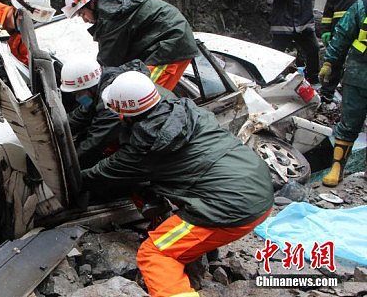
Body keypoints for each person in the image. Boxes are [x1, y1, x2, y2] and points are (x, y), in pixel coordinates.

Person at [82, 71, 274, 297]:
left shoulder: (144, 150)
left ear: (125, 114)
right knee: (188, 187)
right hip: (258, 184)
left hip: (231, 208)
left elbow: (98, 174)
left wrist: (68, 177)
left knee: (154, 254)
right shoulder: (182, 108)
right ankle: (203, 251)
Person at [61, 0, 198, 91]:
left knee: (145, 95)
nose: (84, 20)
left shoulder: (111, 18)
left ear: (91, 3)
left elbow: (108, 62)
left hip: (172, 44)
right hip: (166, 40)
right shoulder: (114, 7)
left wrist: (90, 88)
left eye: (83, 13)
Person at [60, 55, 153, 169]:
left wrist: (66, 165)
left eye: (78, 93)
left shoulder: (112, 101)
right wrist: (55, 127)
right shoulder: (101, 82)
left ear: (90, 87)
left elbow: (95, 143)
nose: (77, 98)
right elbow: (80, 115)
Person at [319, 0, 367, 187]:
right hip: (358, 75)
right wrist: (330, 62)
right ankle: (336, 168)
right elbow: (342, 34)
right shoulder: (362, 5)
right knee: (349, 123)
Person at [267, 0, 323, 84]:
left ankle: (313, 80)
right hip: (283, 25)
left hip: (304, 24)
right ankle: (274, 80)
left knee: (313, 49)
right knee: (276, 55)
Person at [319, 0, 367, 101]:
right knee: (336, 60)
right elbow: (330, 4)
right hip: (340, 27)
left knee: (359, 61)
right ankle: (327, 93)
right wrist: (326, 29)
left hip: (362, 28)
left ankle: (353, 95)